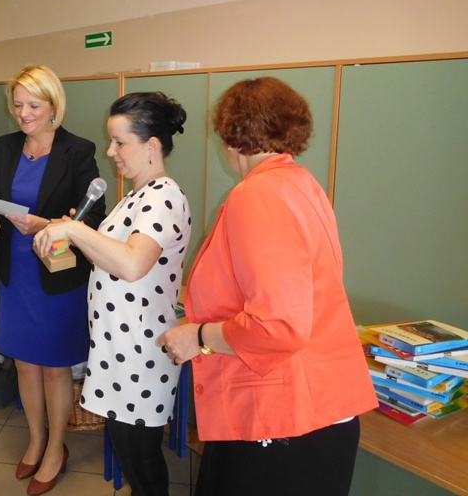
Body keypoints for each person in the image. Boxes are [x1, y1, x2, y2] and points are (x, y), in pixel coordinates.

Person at [158, 77, 378, 496]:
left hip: (284, 418)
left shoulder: (256, 196)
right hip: (319, 406)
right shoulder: (302, 184)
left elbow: (278, 326)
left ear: (230, 137)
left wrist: (197, 337)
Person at [0, 64, 105, 496]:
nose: (23, 114)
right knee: (26, 364)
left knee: (53, 367)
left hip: (55, 275)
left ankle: (55, 447)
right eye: (17, 105)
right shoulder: (6, 146)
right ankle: (35, 439)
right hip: (15, 274)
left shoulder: (78, 150)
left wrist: (46, 223)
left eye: (33, 105)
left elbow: (94, 219)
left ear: (54, 105)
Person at [35, 92, 190, 496]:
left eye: (120, 142)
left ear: (151, 145)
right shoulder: (137, 195)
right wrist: (79, 235)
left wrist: (75, 230)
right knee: (129, 451)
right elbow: (111, 259)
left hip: (140, 352)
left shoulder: (163, 196)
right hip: (119, 347)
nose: (110, 151)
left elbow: (133, 264)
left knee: (141, 460)